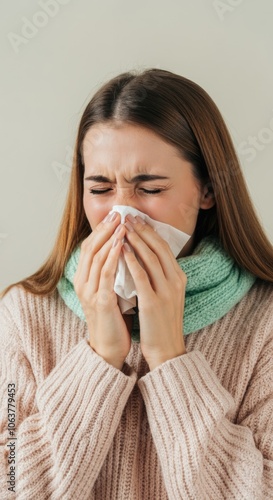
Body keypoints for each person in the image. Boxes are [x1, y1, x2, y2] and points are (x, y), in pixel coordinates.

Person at [1, 68, 273, 499]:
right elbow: (11, 484)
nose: (121, 215)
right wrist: (100, 356)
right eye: (101, 187)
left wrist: (168, 356)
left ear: (208, 190)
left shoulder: (265, 323)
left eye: (149, 187)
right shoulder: (25, 313)